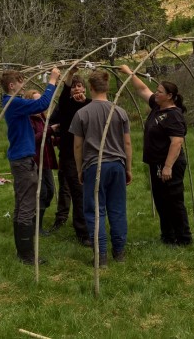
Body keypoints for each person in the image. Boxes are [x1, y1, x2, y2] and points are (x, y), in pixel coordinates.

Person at [119, 64, 192, 246]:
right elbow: (142, 89)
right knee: (161, 200)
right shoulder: (158, 107)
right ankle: (168, 236)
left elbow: (177, 142)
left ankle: (183, 238)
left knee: (173, 201)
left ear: (170, 96)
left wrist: (167, 166)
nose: (156, 94)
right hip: (156, 163)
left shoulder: (173, 115)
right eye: (157, 91)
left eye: (160, 92)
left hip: (169, 164)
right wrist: (130, 73)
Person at [69, 69, 133, 267]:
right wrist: (128, 168)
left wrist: (80, 169)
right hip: (117, 166)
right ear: (107, 88)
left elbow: (78, 146)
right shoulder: (119, 112)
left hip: (94, 166)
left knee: (95, 211)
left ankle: (101, 255)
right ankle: (119, 252)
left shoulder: (82, 113)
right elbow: (127, 144)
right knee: (117, 209)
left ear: (90, 88)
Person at [0, 67, 60, 265]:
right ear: (12, 85)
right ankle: (27, 255)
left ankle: (22, 252)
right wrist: (52, 80)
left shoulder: (10, 103)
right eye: (20, 82)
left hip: (21, 158)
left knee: (21, 204)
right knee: (26, 206)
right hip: (23, 160)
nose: (23, 85)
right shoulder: (13, 102)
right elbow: (42, 103)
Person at [48, 68, 93, 246]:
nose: (76, 90)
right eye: (73, 87)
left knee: (84, 192)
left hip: (88, 153)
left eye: (79, 86)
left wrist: (85, 102)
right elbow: (64, 93)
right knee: (76, 191)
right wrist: (68, 76)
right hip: (68, 154)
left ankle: (84, 226)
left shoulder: (90, 104)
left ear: (85, 89)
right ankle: (82, 232)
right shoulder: (65, 104)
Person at [25, 89, 58, 237]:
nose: (40, 104)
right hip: (36, 161)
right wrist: (50, 130)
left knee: (50, 190)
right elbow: (33, 139)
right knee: (42, 192)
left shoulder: (43, 117)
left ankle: (36, 221)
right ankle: (36, 226)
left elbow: (47, 138)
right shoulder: (28, 120)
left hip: (46, 161)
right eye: (36, 101)